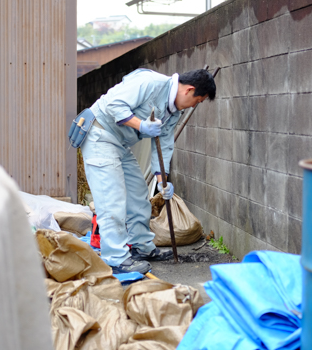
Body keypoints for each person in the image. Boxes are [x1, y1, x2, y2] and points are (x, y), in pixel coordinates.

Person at [81, 68, 216, 274]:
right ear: (189, 90)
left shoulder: (173, 111)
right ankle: (115, 258)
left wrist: (163, 182)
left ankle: (141, 247)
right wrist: (141, 125)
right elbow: (114, 104)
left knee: (138, 196)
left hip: (120, 144)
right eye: (198, 101)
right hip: (100, 135)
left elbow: (164, 144)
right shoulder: (150, 82)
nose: (195, 105)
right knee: (112, 200)